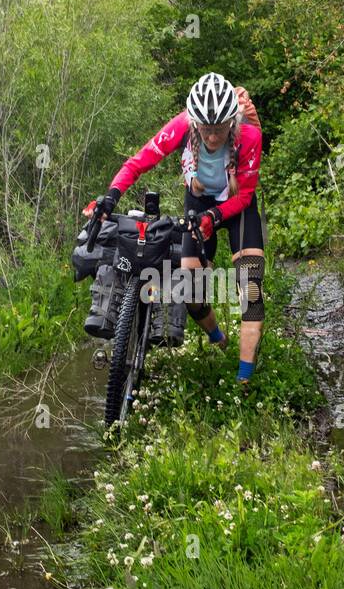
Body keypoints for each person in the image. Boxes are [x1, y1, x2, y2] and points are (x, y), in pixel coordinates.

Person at [85, 72, 266, 384]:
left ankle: (244, 381)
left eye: (220, 129)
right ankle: (216, 336)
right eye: (206, 130)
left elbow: (246, 195)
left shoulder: (249, 134)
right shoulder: (182, 125)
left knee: (250, 290)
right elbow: (138, 162)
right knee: (192, 292)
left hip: (237, 208)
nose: (212, 137)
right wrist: (110, 198)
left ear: (232, 122)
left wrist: (215, 217)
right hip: (198, 203)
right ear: (195, 122)